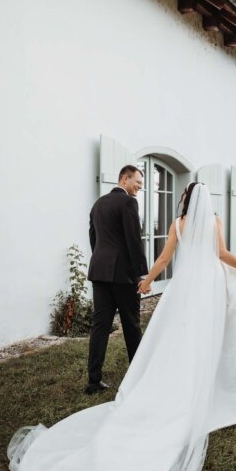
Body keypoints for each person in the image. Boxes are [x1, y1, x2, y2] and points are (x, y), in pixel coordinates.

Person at [8, 182, 236, 471]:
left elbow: (165, 259)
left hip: (184, 288)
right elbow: (222, 254)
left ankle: (175, 382)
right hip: (209, 286)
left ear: (186, 200)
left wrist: (148, 281)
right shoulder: (215, 222)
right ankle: (201, 383)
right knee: (204, 338)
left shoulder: (178, 224)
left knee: (178, 338)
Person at [85, 165, 148, 395]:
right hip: (123, 275)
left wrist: (102, 260)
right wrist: (141, 274)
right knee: (131, 325)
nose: (139, 187)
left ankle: (93, 381)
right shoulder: (129, 203)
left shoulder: (98, 203)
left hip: (100, 272)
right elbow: (134, 240)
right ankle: (138, 377)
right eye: (137, 182)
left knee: (100, 326)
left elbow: (93, 238)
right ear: (124, 178)